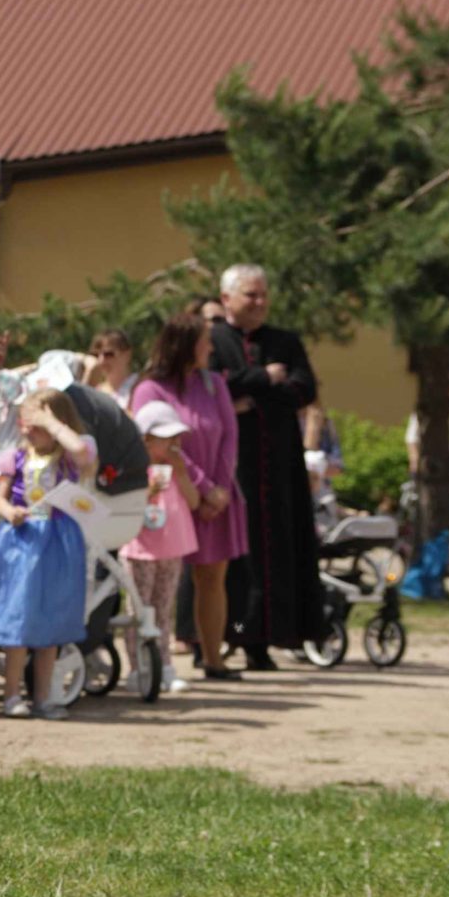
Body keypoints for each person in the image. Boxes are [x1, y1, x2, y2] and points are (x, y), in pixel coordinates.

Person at [210, 265, 324, 671]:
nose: (260, 302)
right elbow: (213, 386)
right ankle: (227, 635)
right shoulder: (212, 340)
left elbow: (304, 388)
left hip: (278, 467)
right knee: (235, 559)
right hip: (231, 467)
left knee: (277, 555)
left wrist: (250, 391)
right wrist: (263, 377)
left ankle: (264, 640)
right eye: (250, 295)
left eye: (263, 295)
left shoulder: (284, 341)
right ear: (226, 299)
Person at [131, 310, 242, 683]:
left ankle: (213, 658)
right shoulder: (149, 389)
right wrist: (203, 487)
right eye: (204, 341)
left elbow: (229, 436)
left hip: (216, 499)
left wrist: (220, 489)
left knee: (213, 577)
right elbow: (161, 446)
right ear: (185, 345)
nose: (211, 348)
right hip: (168, 498)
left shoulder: (215, 384)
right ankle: (153, 662)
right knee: (158, 584)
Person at [0, 388, 97, 718]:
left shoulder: (69, 457)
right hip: (22, 542)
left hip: (58, 542)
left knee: (51, 618)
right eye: (25, 422)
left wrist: (52, 423)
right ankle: (12, 695)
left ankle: (43, 697)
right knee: (20, 615)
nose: (29, 429)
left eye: (37, 423)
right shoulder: (13, 456)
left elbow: (82, 451)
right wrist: (9, 512)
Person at [123, 398, 201, 699]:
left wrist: (181, 474)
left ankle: (165, 666)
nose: (173, 444)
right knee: (138, 610)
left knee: (163, 610)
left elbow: (193, 502)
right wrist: (150, 488)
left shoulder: (178, 465)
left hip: (172, 547)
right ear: (146, 438)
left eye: (175, 438)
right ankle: (137, 668)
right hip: (140, 548)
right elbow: (128, 503)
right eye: (166, 438)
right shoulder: (133, 467)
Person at [85, 327, 138, 408]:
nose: (101, 361)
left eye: (108, 354)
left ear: (127, 355)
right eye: (96, 355)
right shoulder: (96, 392)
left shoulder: (141, 386)